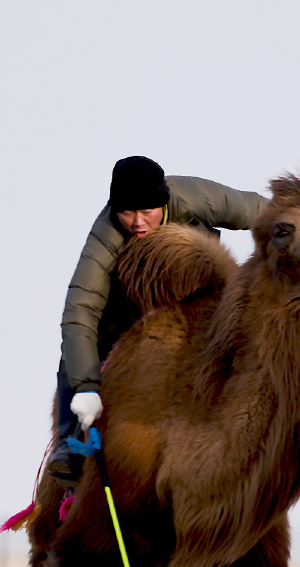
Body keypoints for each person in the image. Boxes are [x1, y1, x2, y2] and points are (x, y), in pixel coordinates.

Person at [47, 156, 265, 483]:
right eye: (127, 213)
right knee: (76, 349)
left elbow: (261, 211)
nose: (137, 223)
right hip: (129, 310)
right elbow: (79, 311)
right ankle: (70, 444)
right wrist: (86, 388)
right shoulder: (106, 233)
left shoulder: (194, 196)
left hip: (197, 294)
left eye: (147, 211)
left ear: (164, 203)